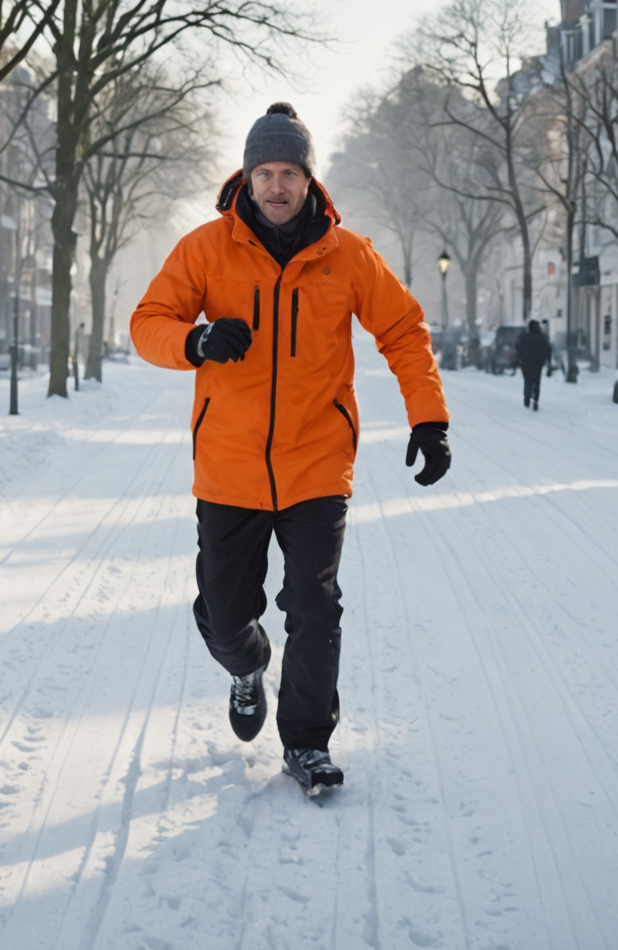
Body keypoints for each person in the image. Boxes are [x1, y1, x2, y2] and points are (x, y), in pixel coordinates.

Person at [131, 101, 453, 798]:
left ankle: (306, 743)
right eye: (265, 172)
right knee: (222, 614)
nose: (277, 186)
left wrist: (428, 419)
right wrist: (196, 341)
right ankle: (247, 667)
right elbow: (148, 322)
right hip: (229, 466)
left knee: (315, 603)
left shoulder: (348, 256)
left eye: (290, 173)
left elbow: (403, 330)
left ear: (310, 180)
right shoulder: (205, 250)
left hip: (316, 464)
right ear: (246, 178)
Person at [515, 319, 551, 410]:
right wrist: (547, 361)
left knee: (529, 381)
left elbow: (518, 348)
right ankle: (534, 399)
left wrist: (519, 359)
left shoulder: (525, 337)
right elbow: (548, 350)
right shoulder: (541, 337)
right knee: (535, 382)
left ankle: (528, 398)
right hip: (536, 363)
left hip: (529, 363)